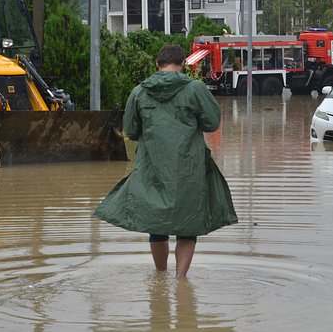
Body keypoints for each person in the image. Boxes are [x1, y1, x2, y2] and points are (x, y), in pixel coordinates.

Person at [94, 44, 237, 278]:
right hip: (189, 168)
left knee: (157, 225)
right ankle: (181, 281)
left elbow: (130, 130)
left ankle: (161, 276)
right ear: (182, 65)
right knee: (187, 226)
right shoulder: (196, 89)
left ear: (156, 64)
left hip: (153, 166)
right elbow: (211, 123)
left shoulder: (139, 92)